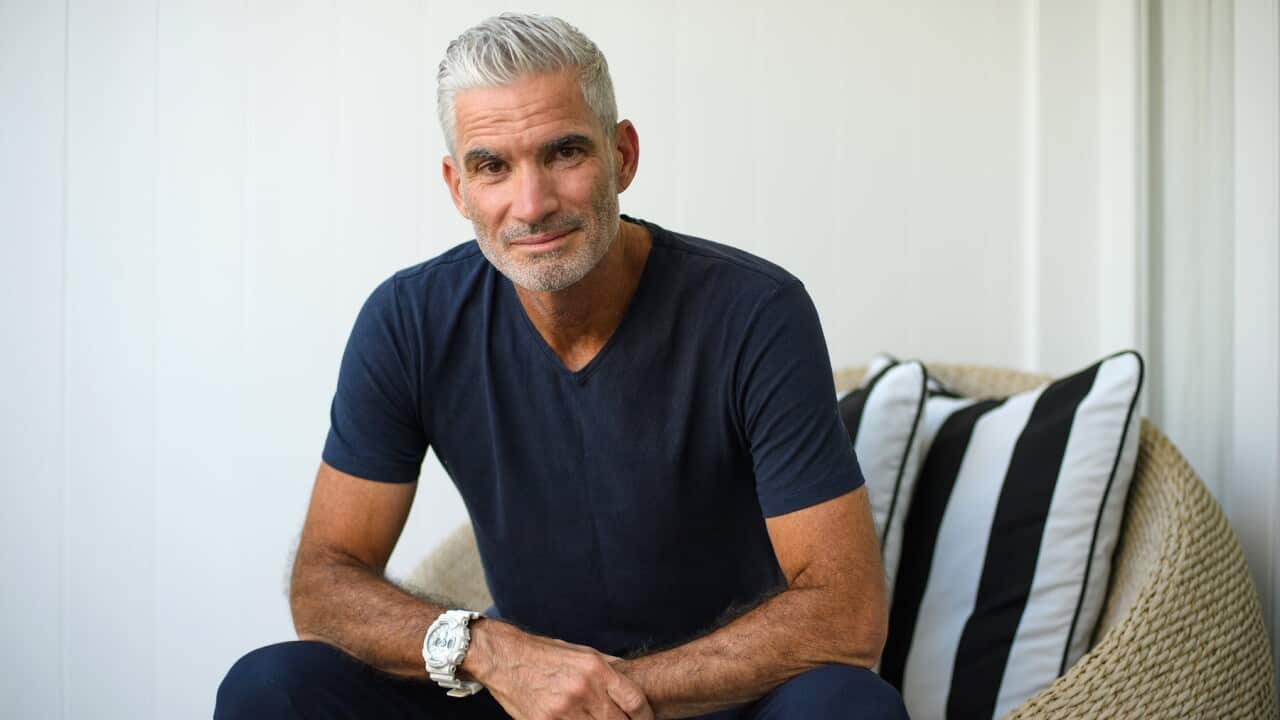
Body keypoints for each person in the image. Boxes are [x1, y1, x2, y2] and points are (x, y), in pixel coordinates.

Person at [216, 12, 907, 720]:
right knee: (272, 688)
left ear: (623, 155)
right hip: (516, 698)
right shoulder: (409, 320)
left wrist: (604, 693)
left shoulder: (757, 311)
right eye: (493, 166)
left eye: (564, 153)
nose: (532, 204)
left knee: (850, 706)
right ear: (458, 188)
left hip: (720, 700)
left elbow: (846, 614)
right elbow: (324, 580)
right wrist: (491, 654)